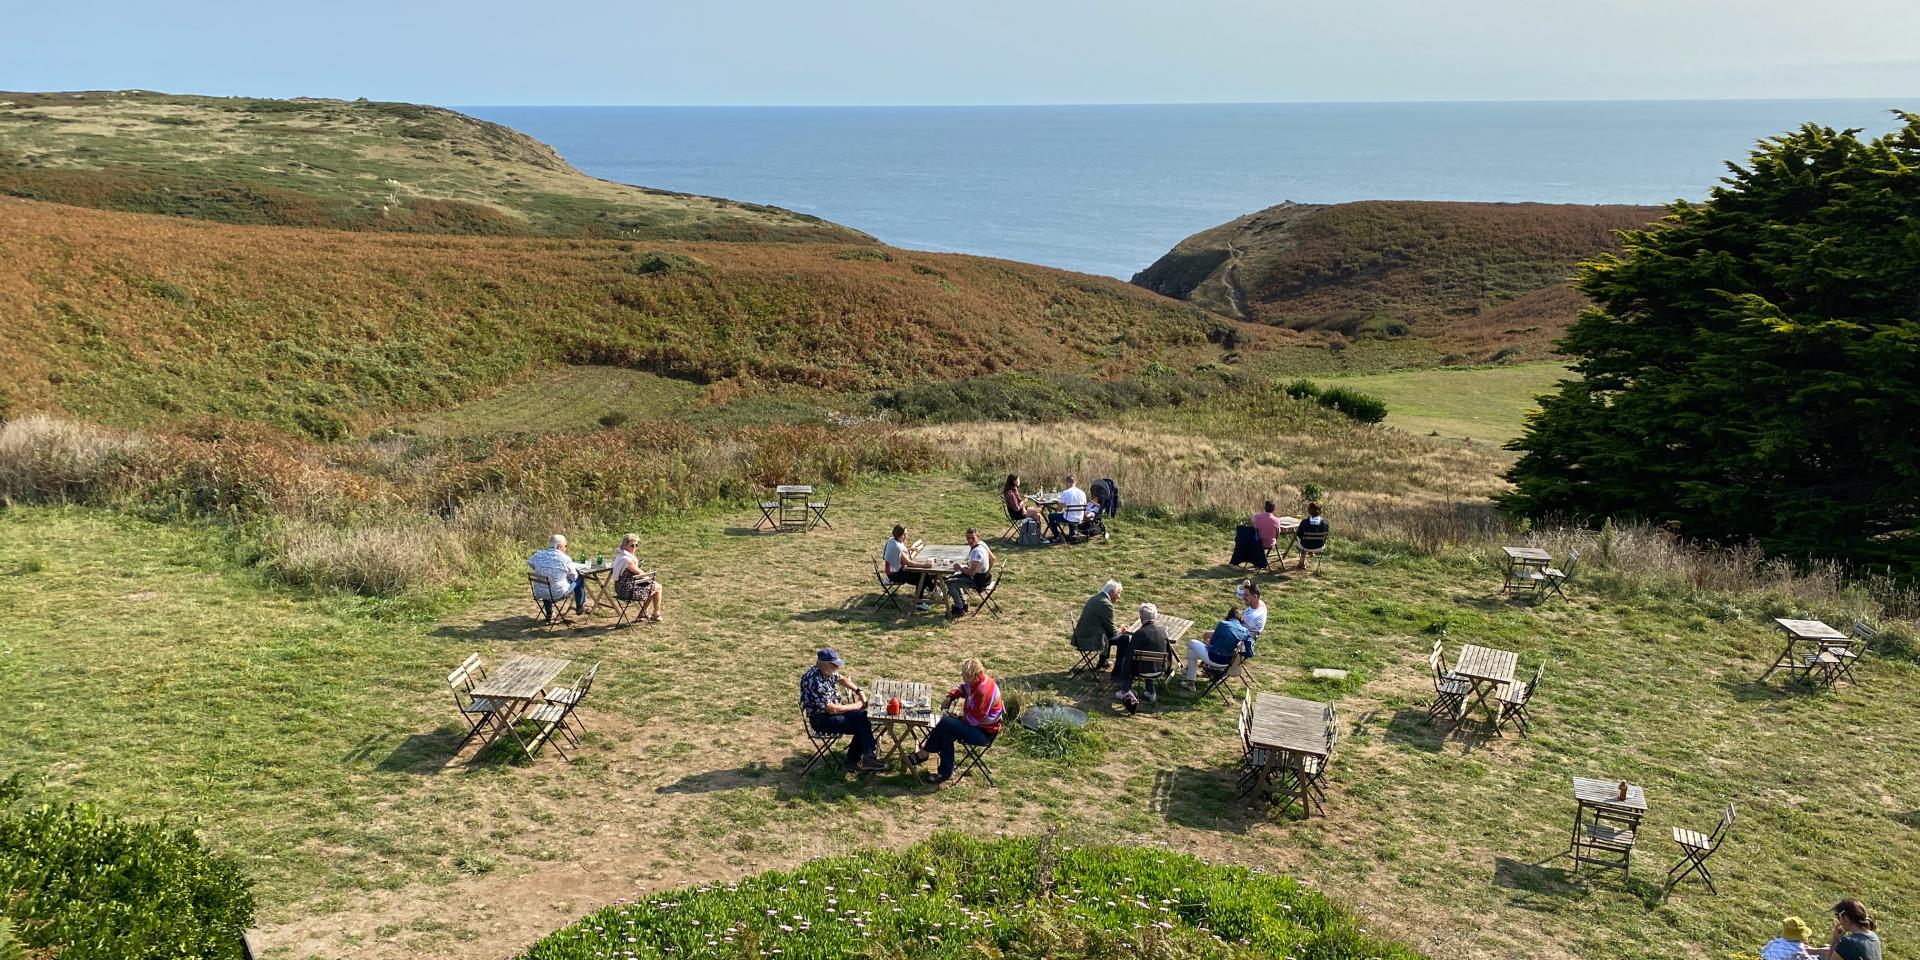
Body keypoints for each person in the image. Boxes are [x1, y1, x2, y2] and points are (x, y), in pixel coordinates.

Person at [910, 658, 1003, 784]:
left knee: (946, 722)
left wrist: (957, 718)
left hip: (984, 733)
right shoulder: (976, 682)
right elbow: (962, 688)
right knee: (946, 732)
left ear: (972, 675)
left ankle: (925, 753)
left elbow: (973, 720)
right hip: (976, 726)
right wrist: (950, 697)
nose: (961, 676)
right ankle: (945, 772)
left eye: (964, 674)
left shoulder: (983, 691)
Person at [799, 648, 887, 773]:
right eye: (835, 665)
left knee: (863, 718)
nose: (837, 668)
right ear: (825, 665)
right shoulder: (815, 681)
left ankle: (862, 758)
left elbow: (842, 678)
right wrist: (857, 705)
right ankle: (860, 759)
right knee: (861, 723)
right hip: (822, 719)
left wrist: (859, 691)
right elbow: (832, 710)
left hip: (834, 712)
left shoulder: (826, 672)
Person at [1114, 602, 1171, 709]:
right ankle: (1151, 692)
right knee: (1150, 661)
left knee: (1127, 661)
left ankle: (1125, 690)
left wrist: (1124, 674)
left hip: (1141, 671)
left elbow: (1129, 655)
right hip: (1159, 669)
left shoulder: (1140, 633)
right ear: (1155, 616)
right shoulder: (1163, 632)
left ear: (1141, 618)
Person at [1185, 605, 1254, 688]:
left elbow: (1212, 642)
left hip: (1213, 658)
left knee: (1192, 643)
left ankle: (1189, 676)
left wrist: (1208, 643)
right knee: (1192, 652)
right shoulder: (1244, 631)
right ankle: (1190, 682)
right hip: (1228, 662)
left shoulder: (1223, 624)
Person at [527, 534, 587, 620]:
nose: (566, 548)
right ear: (559, 546)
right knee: (579, 578)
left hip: (539, 592)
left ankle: (549, 613)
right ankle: (580, 605)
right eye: (565, 546)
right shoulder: (565, 558)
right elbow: (573, 577)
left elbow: (530, 562)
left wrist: (541, 569)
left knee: (547, 582)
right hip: (558, 593)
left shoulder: (538, 555)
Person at [1071, 580, 1124, 672]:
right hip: (1090, 638)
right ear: (1112, 592)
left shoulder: (1095, 598)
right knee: (1124, 639)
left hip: (1081, 634)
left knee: (1107, 634)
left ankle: (1102, 662)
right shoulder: (1106, 604)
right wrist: (1121, 629)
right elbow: (1112, 631)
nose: (1119, 597)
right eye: (1118, 593)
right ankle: (1118, 670)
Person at [610, 533, 663, 623]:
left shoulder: (621, 555)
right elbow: (639, 573)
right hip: (626, 590)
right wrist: (650, 579)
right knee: (657, 587)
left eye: (636, 545)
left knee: (652, 586)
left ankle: (644, 612)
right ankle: (656, 614)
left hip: (621, 586)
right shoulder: (626, 559)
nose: (634, 547)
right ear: (624, 545)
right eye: (632, 545)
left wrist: (649, 581)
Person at [883, 525, 938, 612]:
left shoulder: (892, 540)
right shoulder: (898, 547)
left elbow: (899, 555)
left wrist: (909, 549)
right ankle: (920, 602)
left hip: (894, 570)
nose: (906, 536)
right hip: (895, 574)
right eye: (905, 534)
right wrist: (925, 565)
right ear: (900, 535)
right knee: (923, 577)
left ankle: (932, 591)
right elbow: (908, 563)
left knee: (924, 576)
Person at [944, 528, 993, 617]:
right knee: (950, 577)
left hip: (977, 581)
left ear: (978, 537)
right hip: (986, 577)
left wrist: (960, 568)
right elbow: (993, 559)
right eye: (968, 538)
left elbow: (971, 573)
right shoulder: (982, 544)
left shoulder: (977, 552)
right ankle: (963, 603)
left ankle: (959, 608)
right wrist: (986, 571)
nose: (970, 541)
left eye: (972, 538)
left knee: (950, 583)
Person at [1815, 900, 1880, 960]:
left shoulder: (1848, 942)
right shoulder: (1874, 936)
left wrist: (1835, 940)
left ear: (1846, 918)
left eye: (1838, 916)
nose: (1839, 921)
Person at [1048, 476, 1090, 544]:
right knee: (1069, 514)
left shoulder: (1065, 493)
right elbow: (1084, 505)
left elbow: (1059, 510)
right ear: (1075, 482)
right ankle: (1072, 533)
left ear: (1067, 483)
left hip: (1069, 518)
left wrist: (1059, 504)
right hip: (1080, 518)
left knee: (1051, 516)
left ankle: (1057, 536)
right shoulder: (1082, 492)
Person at [1295, 502, 1330, 569]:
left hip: (1305, 546)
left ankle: (1302, 562)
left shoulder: (1304, 522)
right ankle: (1310, 553)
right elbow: (1325, 537)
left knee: (1300, 540)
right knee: (1306, 541)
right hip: (1319, 547)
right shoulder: (1325, 523)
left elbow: (1299, 535)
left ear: (1309, 511)